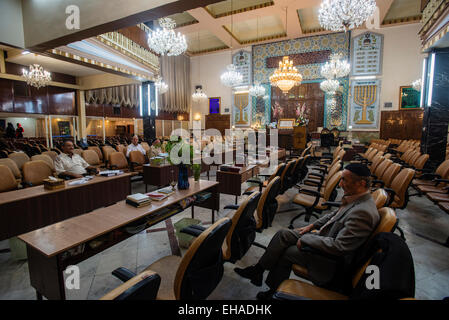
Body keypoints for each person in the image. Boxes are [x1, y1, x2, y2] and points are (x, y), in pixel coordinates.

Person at [234, 163, 380, 300]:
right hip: (324, 235)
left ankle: (273, 291)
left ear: (361, 184)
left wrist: (306, 239)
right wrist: (311, 227)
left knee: (287, 252)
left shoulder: (364, 213)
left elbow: (339, 247)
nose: (340, 184)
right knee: (282, 234)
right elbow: (334, 216)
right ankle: (258, 271)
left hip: (329, 259)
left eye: (344, 180)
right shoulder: (357, 198)